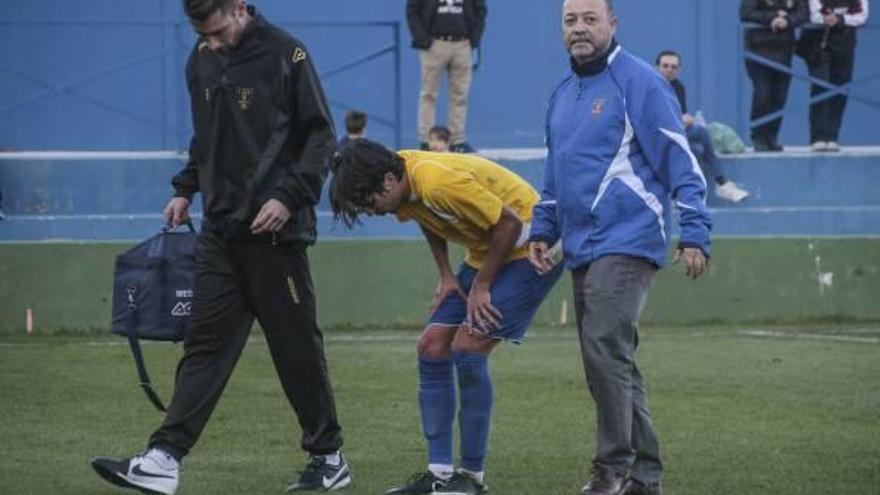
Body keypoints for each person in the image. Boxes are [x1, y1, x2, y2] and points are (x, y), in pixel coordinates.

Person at [90, 1, 349, 493]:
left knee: (295, 350)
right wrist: (185, 187)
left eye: (218, 31)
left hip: (277, 236)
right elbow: (206, 135)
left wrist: (288, 198)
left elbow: (321, 137)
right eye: (203, 35)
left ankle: (329, 458)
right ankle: (164, 459)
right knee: (204, 346)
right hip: (220, 233)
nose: (213, 43)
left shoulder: (288, 54)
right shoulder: (201, 59)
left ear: (239, 7)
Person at [529, 1, 712, 494]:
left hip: (630, 236)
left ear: (613, 24)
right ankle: (645, 477)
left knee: (604, 347)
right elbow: (555, 173)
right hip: (581, 243)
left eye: (591, 18)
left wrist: (694, 231)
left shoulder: (641, 81)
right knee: (609, 358)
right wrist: (543, 227)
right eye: (571, 20)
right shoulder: (562, 92)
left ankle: (611, 468)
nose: (580, 28)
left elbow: (681, 159)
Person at [330, 139, 564, 495]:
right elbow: (428, 218)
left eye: (368, 201)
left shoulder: (438, 182)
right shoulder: (403, 177)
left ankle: (471, 478)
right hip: (487, 249)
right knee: (432, 346)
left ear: (389, 181)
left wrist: (482, 286)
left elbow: (510, 224)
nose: (370, 210)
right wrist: (446, 275)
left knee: (468, 349)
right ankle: (439, 473)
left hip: (531, 246)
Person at [655, 50, 749, 203]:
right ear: (656, 67)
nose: (669, 69)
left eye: (674, 67)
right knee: (700, 132)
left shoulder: (678, 87)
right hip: (655, 137)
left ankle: (687, 193)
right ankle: (722, 183)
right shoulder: (650, 86)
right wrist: (680, 119)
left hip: (677, 135)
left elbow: (681, 116)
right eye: (665, 66)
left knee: (698, 149)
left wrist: (685, 119)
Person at [407, 0, 487, 153]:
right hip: (434, 44)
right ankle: (426, 141)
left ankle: (457, 141)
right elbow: (412, 10)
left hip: (462, 44)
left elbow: (481, 10)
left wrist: (474, 39)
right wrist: (423, 39)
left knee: (460, 95)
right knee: (428, 94)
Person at [799, 0, 870, 151]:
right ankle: (817, 138)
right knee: (820, 87)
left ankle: (832, 137)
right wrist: (828, 18)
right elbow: (814, 14)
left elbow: (862, 16)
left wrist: (840, 19)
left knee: (841, 90)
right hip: (818, 45)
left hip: (845, 45)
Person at [740, 0, 809, 152]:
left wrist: (787, 20)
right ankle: (758, 136)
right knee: (762, 95)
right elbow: (746, 14)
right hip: (758, 51)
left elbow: (804, 14)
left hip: (784, 52)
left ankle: (772, 137)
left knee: (779, 97)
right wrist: (773, 16)